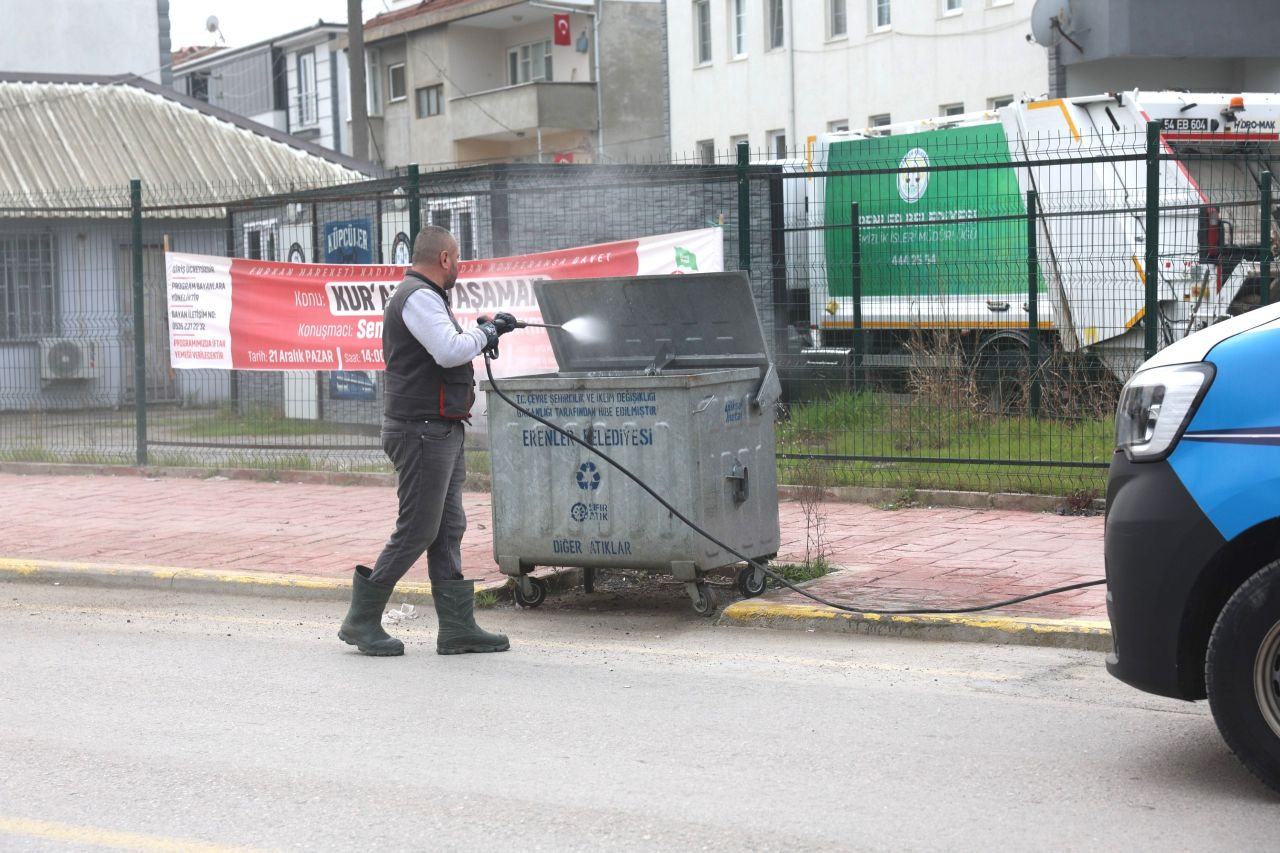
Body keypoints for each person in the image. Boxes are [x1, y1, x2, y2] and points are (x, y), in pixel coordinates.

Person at [339, 225, 516, 656]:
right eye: (457, 258)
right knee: (419, 527)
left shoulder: (427, 296)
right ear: (444, 259)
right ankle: (361, 620)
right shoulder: (417, 296)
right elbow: (449, 350)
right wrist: (488, 334)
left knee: (448, 527)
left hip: (439, 428)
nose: (459, 266)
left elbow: (450, 345)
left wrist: (487, 331)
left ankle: (457, 629)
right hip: (420, 430)